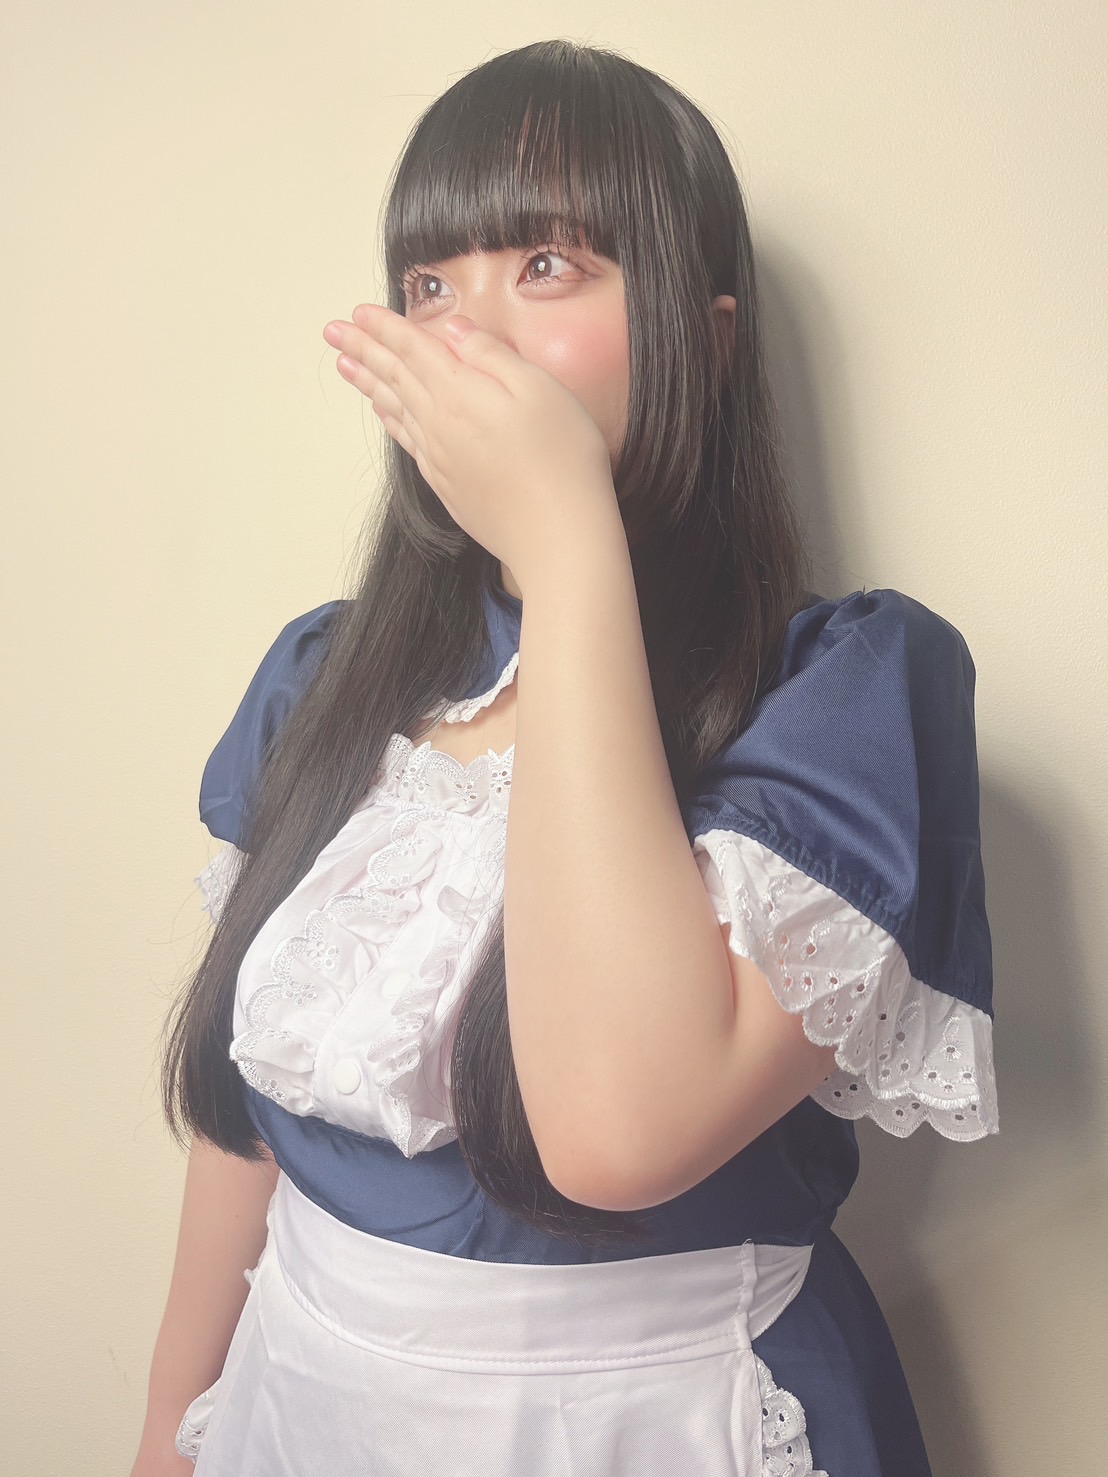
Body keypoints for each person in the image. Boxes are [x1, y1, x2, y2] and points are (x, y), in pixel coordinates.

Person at [130, 38, 997, 1477]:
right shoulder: (325, 678)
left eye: (546, 265)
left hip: (659, 1420)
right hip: (303, 1399)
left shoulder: (842, 695)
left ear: (706, 336)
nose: (466, 336)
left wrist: (566, 543)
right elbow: (253, 1123)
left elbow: (614, 1134)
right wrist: (169, 1429)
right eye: (428, 286)